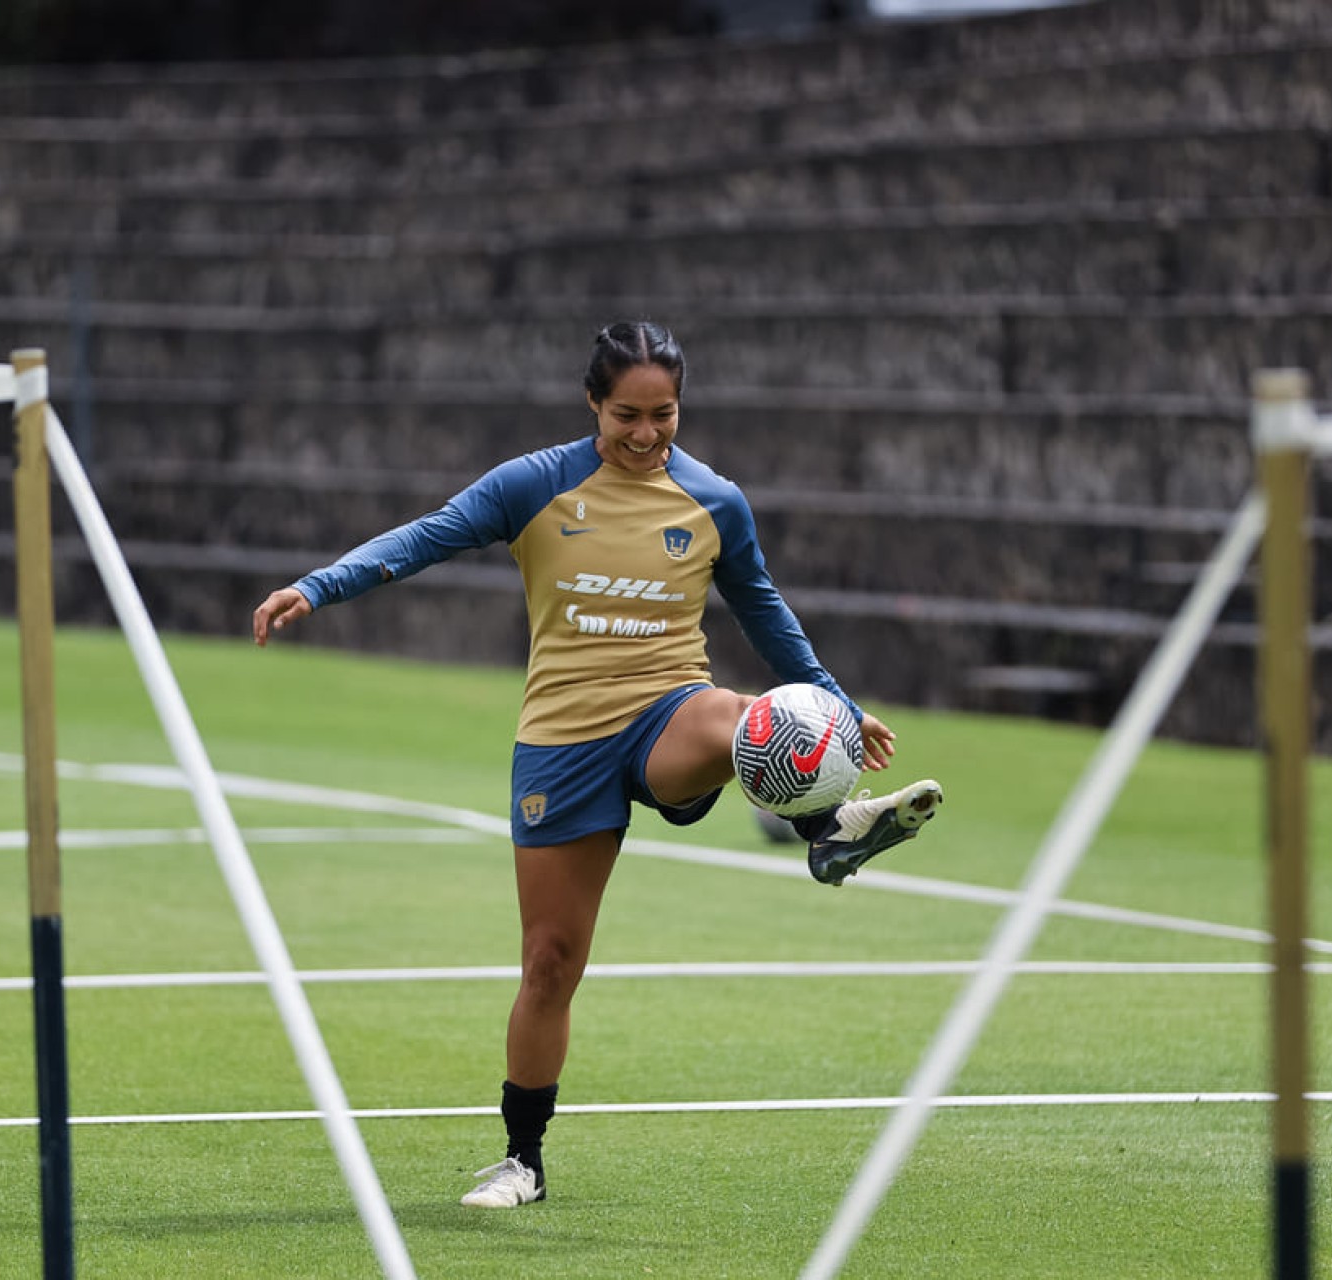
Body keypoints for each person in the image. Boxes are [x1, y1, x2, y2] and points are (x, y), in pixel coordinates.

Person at [252, 320, 942, 1208]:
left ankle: (826, 826)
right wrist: (319, 585)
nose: (647, 434)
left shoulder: (715, 502)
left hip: (669, 711)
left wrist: (837, 704)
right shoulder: (534, 485)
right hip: (562, 742)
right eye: (628, 416)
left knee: (747, 716)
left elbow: (763, 611)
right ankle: (523, 1161)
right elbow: (427, 536)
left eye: (665, 415)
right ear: (592, 403)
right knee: (550, 963)